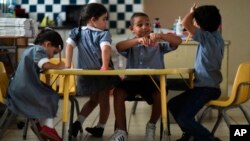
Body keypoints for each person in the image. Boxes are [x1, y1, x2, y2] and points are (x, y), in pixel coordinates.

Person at [110, 12, 182, 141]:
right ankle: (121, 131)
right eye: (140, 25)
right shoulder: (131, 45)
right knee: (118, 92)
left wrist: (160, 35)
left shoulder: (158, 44)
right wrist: (137, 41)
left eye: (147, 24)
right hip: (132, 81)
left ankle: (151, 125)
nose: (145, 27)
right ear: (132, 29)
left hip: (153, 82)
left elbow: (178, 41)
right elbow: (119, 46)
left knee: (160, 94)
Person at [168, 4, 224, 141]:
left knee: (184, 117)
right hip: (208, 87)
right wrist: (195, 26)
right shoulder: (217, 37)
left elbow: (185, 23)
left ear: (199, 24)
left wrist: (192, 12)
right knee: (173, 104)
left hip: (206, 88)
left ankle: (209, 139)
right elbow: (194, 30)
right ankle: (190, 134)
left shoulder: (205, 37)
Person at [65, 3, 120, 138]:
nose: (106, 22)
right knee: (104, 101)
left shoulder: (76, 31)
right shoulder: (103, 34)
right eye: (104, 19)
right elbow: (105, 49)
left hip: (86, 73)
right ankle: (100, 127)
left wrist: (67, 65)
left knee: (93, 100)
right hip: (101, 73)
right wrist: (105, 67)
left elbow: (69, 46)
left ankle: (78, 123)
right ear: (93, 20)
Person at [6, 28, 65, 141]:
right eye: (54, 52)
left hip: (16, 88)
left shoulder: (29, 49)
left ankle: (41, 126)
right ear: (47, 44)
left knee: (47, 91)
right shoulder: (39, 50)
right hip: (25, 89)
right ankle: (48, 128)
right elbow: (44, 64)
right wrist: (59, 66)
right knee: (51, 95)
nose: (52, 57)